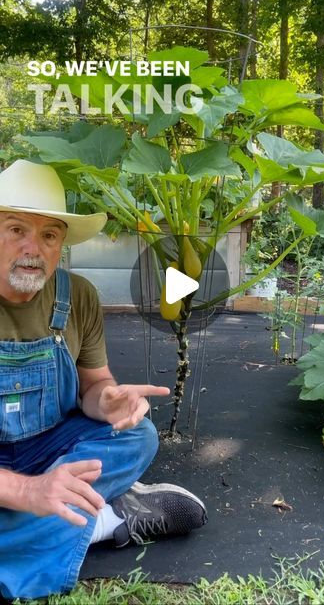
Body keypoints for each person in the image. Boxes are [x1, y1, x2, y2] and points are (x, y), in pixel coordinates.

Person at [0, 159, 207, 600]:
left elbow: (96, 384)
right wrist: (25, 489)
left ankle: (54, 516)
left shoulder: (78, 297)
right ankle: (101, 522)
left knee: (137, 436)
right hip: (24, 474)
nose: (33, 248)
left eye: (49, 235)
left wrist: (108, 400)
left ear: (61, 246)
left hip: (49, 448)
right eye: (16, 229)